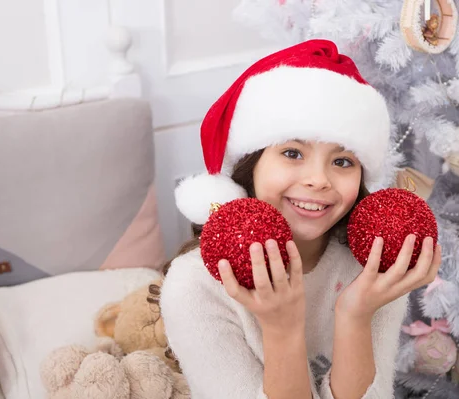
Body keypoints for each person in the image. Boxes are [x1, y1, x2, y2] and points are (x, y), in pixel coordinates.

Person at [157, 39, 441, 399]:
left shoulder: (373, 264)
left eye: (342, 161)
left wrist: (356, 316)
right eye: (292, 153)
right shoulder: (194, 286)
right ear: (251, 164)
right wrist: (282, 330)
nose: (319, 180)